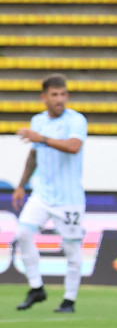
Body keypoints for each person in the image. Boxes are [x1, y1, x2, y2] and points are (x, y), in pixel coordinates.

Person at [12, 74, 87, 314]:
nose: (60, 99)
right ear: (44, 97)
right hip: (42, 194)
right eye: (54, 95)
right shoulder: (38, 121)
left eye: (63, 94)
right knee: (23, 233)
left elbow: (74, 147)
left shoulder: (76, 120)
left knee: (72, 250)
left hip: (69, 198)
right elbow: (34, 154)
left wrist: (41, 138)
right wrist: (21, 185)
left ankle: (69, 300)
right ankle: (36, 288)